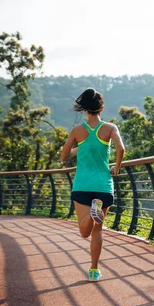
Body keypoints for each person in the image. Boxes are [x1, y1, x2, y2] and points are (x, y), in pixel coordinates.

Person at [61, 88, 125, 281]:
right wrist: (117, 168)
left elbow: (64, 157)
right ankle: (94, 270)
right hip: (103, 186)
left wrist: (79, 146)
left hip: (82, 185)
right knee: (97, 230)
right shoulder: (110, 128)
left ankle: (91, 213)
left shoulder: (77, 130)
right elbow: (121, 149)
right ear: (101, 108)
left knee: (83, 232)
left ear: (85, 110)